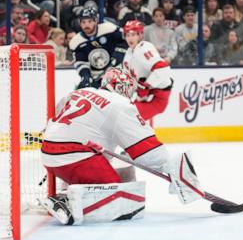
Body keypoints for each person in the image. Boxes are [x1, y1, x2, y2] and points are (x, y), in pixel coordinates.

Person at [39, 67, 203, 225]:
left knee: (124, 172)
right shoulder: (120, 105)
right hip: (75, 157)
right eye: (130, 89)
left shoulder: (81, 92)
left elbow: (59, 112)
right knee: (119, 196)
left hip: (48, 153)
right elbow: (146, 149)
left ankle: (69, 190)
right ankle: (67, 204)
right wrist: (170, 167)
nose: (131, 94)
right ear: (121, 87)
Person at [123, 20, 173, 120]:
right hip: (144, 94)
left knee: (129, 116)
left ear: (140, 35)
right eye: (127, 35)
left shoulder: (144, 48)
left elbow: (163, 68)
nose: (130, 38)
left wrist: (146, 86)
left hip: (158, 97)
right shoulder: (129, 53)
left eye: (133, 34)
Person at [69, 7, 127, 89]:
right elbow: (81, 62)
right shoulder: (76, 42)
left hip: (118, 73)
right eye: (83, 22)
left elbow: (126, 39)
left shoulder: (109, 29)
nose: (86, 25)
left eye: (89, 21)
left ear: (96, 21)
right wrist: (86, 76)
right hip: (96, 77)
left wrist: (118, 56)